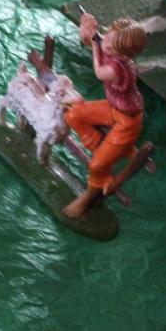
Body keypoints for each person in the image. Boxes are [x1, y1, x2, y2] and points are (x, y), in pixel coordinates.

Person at [62, 15, 147, 219]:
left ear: (125, 55)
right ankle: (103, 148)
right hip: (113, 109)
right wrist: (87, 30)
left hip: (128, 121)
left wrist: (94, 44)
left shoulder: (118, 68)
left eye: (112, 45)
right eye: (108, 35)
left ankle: (88, 195)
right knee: (73, 115)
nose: (106, 42)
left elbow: (99, 72)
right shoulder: (112, 47)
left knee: (96, 166)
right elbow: (96, 41)